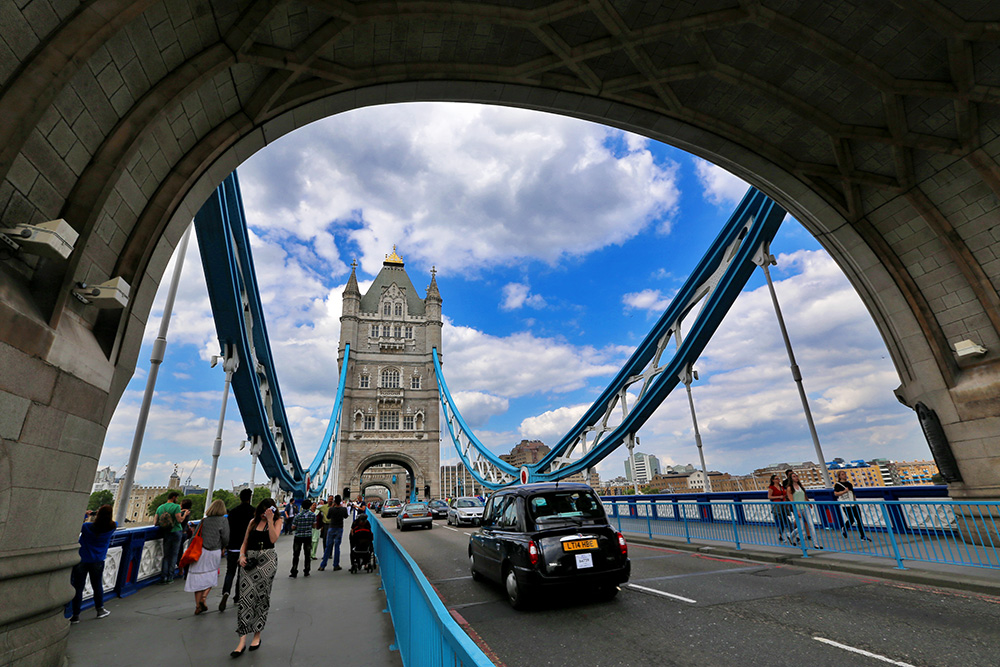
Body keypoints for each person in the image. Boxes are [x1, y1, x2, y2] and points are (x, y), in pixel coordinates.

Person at [231, 498, 283, 657]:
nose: (264, 514)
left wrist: (270, 520)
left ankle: (257, 635)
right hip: (249, 561)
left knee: (261, 599)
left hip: (267, 562)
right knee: (245, 599)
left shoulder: (277, 521)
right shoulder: (252, 522)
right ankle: (241, 641)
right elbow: (245, 542)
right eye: (262, 511)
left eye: (268, 511)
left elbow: (273, 539)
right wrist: (241, 555)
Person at [69, 504, 116, 624]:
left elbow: (76, 525)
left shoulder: (86, 527)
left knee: (78, 587)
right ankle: (100, 610)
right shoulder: (112, 526)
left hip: (82, 559)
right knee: (97, 585)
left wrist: (86, 515)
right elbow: (106, 524)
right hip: (98, 560)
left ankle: (75, 615)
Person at [185, 499, 230, 615]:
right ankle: (204, 598)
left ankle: (197, 606)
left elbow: (194, 536)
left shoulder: (204, 521)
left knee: (198, 577)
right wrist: (224, 547)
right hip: (214, 551)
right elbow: (225, 538)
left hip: (200, 551)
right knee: (211, 574)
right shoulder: (223, 521)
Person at [220, 489, 255, 612]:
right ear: (249, 497)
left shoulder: (233, 512)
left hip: (232, 546)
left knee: (230, 572)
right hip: (245, 548)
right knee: (242, 573)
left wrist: (225, 545)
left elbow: (227, 530)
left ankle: (226, 591)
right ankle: (237, 596)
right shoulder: (253, 511)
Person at [155, 491, 188, 583]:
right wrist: (184, 514)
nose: (177, 500)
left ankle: (163, 577)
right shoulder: (176, 507)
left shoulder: (160, 507)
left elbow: (155, 522)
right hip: (176, 531)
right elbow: (179, 520)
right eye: (177, 498)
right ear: (174, 497)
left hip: (165, 532)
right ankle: (170, 577)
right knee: (174, 555)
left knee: (166, 556)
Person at [785, 472, 822, 549]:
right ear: (791, 478)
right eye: (794, 476)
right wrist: (796, 511)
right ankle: (791, 536)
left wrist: (808, 502)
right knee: (801, 527)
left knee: (811, 525)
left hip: (805, 507)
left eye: (796, 476)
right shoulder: (789, 488)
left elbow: (804, 496)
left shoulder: (800, 486)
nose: (796, 478)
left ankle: (816, 544)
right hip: (797, 508)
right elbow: (792, 500)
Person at [834, 471, 870, 541]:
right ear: (839, 476)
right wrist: (844, 491)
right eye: (842, 474)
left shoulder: (849, 484)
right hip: (846, 504)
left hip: (854, 503)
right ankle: (845, 527)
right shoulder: (837, 485)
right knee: (851, 519)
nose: (844, 475)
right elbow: (836, 494)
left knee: (859, 519)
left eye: (845, 474)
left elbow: (852, 492)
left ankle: (862, 536)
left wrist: (854, 499)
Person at [319, 495, 348, 572]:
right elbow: (346, 517)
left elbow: (328, 517)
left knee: (328, 547)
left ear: (334, 501)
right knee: (337, 547)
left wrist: (332, 507)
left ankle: (322, 565)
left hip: (331, 528)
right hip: (339, 528)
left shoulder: (331, 509)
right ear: (340, 501)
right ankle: (336, 565)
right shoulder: (343, 509)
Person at [289, 500, 316, 578]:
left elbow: (293, 527)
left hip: (298, 536)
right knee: (307, 554)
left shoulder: (298, 515)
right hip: (308, 536)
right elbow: (314, 526)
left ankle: (294, 571)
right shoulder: (312, 515)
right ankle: (306, 570)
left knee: (296, 554)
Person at [767, 474, 792, 543]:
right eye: (776, 479)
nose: (778, 480)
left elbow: (785, 494)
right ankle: (793, 534)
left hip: (783, 504)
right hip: (777, 505)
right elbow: (769, 496)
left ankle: (780, 535)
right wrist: (778, 497)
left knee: (782, 521)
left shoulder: (781, 487)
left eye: (778, 478)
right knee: (785, 520)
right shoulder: (771, 487)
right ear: (773, 480)